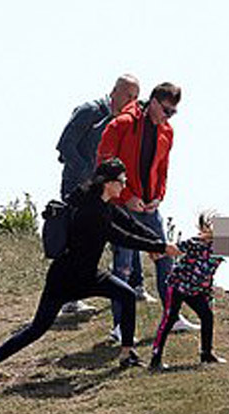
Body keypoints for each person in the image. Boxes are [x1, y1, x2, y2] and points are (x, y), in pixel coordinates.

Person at [0, 159, 180, 386]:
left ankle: (126, 354)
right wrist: (160, 248)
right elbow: (121, 237)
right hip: (65, 278)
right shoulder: (91, 211)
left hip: (89, 274)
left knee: (127, 295)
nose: (124, 184)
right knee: (37, 328)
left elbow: (131, 225)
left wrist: (158, 241)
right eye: (121, 181)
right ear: (108, 183)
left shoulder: (106, 204)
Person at [97, 82, 199, 335]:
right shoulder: (122, 124)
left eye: (173, 112)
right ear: (153, 102)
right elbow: (104, 161)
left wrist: (158, 197)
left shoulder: (167, 132)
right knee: (123, 265)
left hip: (149, 207)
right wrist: (128, 195)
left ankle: (172, 318)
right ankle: (120, 327)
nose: (169, 117)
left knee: (165, 257)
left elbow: (163, 169)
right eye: (166, 110)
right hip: (121, 205)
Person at [55, 74, 153, 312]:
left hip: (108, 190)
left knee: (126, 227)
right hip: (79, 188)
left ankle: (137, 286)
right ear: (114, 91)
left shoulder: (128, 122)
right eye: (127, 94)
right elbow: (64, 145)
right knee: (79, 242)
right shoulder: (90, 111)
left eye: (135, 97)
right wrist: (88, 175)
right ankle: (70, 300)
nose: (131, 100)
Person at [149, 211, 226, 371]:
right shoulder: (195, 243)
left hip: (195, 290)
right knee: (170, 318)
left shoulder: (220, 253)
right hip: (177, 286)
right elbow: (176, 249)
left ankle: (206, 354)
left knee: (207, 316)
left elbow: (209, 273)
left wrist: (207, 292)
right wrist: (159, 252)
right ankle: (155, 359)